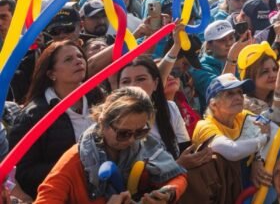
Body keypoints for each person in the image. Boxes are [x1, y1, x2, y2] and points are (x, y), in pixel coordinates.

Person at [34, 87, 188, 204]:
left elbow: (177, 177)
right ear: (102, 122)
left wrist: (168, 193)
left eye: (140, 132)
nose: (132, 139)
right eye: (123, 133)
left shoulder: (146, 145)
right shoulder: (74, 161)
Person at [9, 40, 101, 198]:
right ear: (51, 74)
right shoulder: (34, 115)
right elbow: (23, 172)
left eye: (80, 56)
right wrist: (73, 169)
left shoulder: (99, 98)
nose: (78, 61)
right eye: (68, 59)